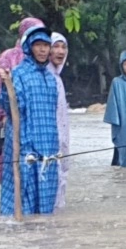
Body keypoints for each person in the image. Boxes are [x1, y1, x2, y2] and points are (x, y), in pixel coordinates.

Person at [0, 25, 66, 217]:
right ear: (29, 47)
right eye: (39, 45)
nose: (43, 50)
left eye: (46, 45)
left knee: (45, 200)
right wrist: (6, 85)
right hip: (25, 143)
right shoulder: (19, 74)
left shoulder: (51, 79)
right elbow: (12, 108)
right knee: (23, 195)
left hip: (48, 147)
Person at [0, 16, 46, 181]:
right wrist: (7, 116)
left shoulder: (40, 58)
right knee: (12, 169)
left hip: (36, 123)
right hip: (11, 121)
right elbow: (0, 88)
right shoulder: (8, 57)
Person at [48, 32, 72, 210]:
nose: (60, 51)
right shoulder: (46, 77)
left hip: (61, 140)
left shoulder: (57, 77)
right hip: (48, 140)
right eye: (55, 46)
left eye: (63, 47)